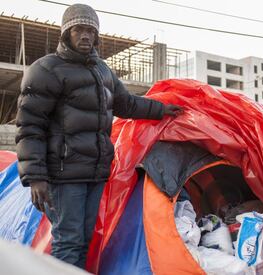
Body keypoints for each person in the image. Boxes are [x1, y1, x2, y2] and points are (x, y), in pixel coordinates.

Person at [15, 3, 181, 269]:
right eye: (78, 29)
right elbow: (29, 127)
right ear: (66, 33)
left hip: (95, 173)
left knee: (83, 241)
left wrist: (162, 109)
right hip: (62, 174)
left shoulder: (102, 71)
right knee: (68, 242)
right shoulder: (46, 70)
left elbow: (126, 104)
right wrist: (35, 177)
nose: (85, 36)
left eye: (91, 31)